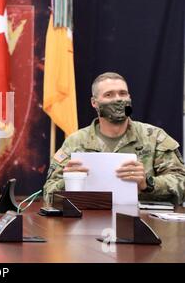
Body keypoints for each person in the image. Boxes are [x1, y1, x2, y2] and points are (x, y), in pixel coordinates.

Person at [43, 72, 185, 205]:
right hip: (89, 221)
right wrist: (68, 181)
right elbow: (48, 194)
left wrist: (147, 184)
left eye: (122, 93)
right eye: (109, 95)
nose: (118, 99)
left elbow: (181, 183)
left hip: (143, 221)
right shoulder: (75, 142)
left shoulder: (154, 137)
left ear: (129, 98)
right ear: (94, 102)